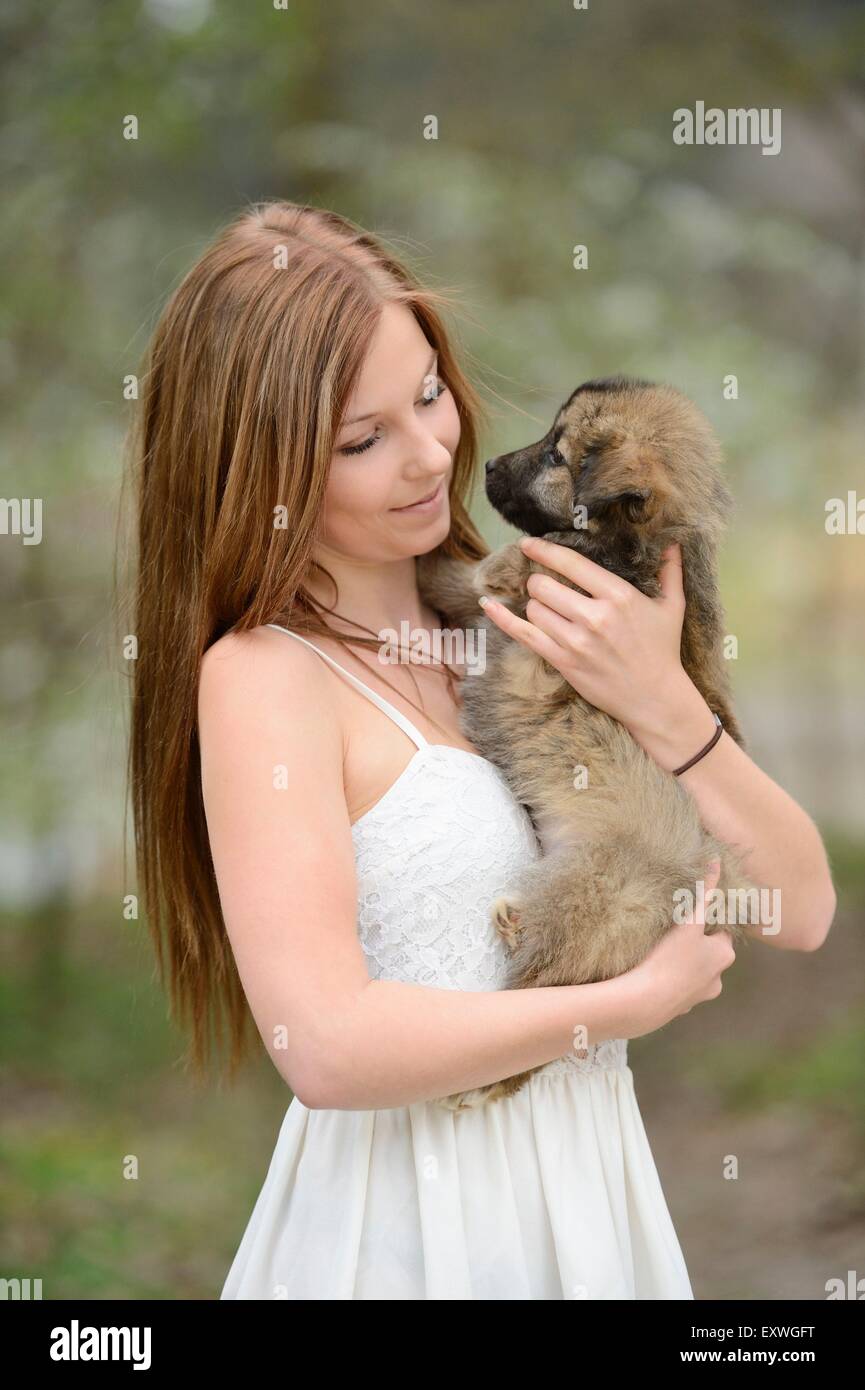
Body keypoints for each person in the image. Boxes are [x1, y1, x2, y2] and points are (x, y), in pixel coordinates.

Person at [127, 200, 836, 1300]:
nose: (428, 455)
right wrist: (626, 1007)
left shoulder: (520, 610)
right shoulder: (267, 677)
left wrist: (663, 705)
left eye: (426, 396)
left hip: (589, 1208)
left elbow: (798, 907)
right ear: (260, 464)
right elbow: (322, 1046)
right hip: (412, 1230)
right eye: (361, 441)